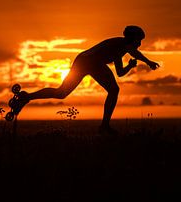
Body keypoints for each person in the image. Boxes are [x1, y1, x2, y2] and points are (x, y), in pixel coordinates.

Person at [14, 25, 160, 134]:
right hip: (89, 62)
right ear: (131, 39)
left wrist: (138, 64)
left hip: (84, 61)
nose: (139, 44)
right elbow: (128, 63)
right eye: (139, 40)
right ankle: (104, 127)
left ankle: (26, 96)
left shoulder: (121, 47)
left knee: (61, 93)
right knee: (112, 90)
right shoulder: (118, 46)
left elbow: (128, 63)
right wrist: (142, 63)